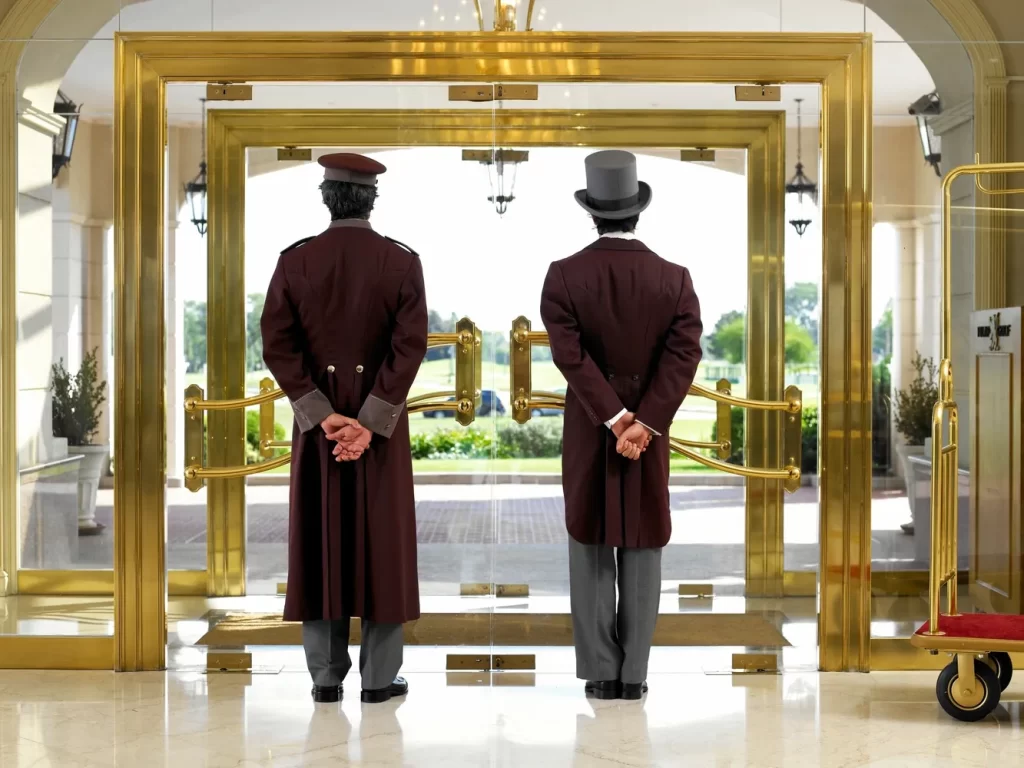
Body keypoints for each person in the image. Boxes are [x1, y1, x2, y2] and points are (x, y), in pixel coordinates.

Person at [260, 152, 428, 704]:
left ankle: (325, 678)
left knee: (320, 540)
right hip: (379, 435)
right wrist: (370, 423)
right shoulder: (403, 262)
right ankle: (380, 680)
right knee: (383, 544)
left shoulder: (295, 261)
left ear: (326, 198)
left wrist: (321, 414)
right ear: (371, 199)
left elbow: (277, 344)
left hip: (320, 432)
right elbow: (410, 349)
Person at [540, 149, 703, 700]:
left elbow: (570, 357)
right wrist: (645, 423)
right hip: (647, 438)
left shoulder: (563, 276)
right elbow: (683, 358)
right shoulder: (675, 279)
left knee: (588, 542)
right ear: (638, 211)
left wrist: (612, 418)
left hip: (591, 429)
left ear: (592, 212)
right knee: (643, 544)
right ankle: (634, 677)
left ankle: (600, 674)